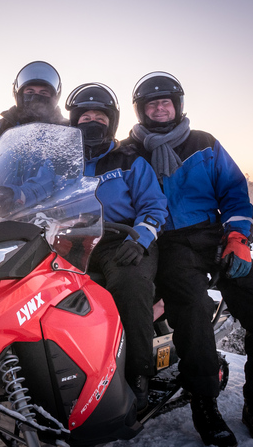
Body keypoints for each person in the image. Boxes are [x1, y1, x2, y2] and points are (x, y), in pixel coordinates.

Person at [123, 71, 253, 446]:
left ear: (178, 105)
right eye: (153, 103)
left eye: (166, 101)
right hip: (168, 243)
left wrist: (237, 238)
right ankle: (204, 401)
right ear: (141, 111)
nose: (161, 108)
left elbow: (233, 190)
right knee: (193, 309)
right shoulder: (129, 151)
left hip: (215, 236)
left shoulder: (205, 144)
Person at [66, 82, 168, 412]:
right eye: (85, 115)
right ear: (74, 121)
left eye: (99, 115)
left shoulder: (128, 160)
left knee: (127, 284)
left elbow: (154, 205)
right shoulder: (61, 165)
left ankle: (137, 375)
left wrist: (139, 238)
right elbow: (33, 195)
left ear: (111, 121)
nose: (91, 120)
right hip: (69, 241)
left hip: (122, 241)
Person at [0, 61, 66, 171]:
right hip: (1, 188)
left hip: (53, 189)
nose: (36, 97)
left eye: (43, 93)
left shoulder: (66, 131)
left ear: (53, 98)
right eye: (30, 92)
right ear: (20, 95)